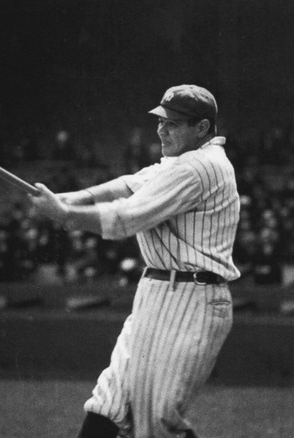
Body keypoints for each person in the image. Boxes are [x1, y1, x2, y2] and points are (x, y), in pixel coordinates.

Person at [29, 84, 240, 438]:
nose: (161, 129)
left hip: (195, 299)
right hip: (157, 292)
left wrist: (66, 215)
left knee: (157, 422)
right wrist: (72, 197)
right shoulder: (180, 162)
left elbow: (127, 216)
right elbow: (130, 184)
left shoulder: (202, 167)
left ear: (202, 129)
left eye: (173, 123)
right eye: (161, 121)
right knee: (109, 401)